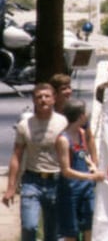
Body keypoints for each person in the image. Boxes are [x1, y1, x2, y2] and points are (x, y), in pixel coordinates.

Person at [3, 83, 68, 241]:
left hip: (57, 180)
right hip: (32, 181)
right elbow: (16, 155)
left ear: (54, 99)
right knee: (29, 226)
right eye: (39, 97)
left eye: (47, 96)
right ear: (33, 100)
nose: (43, 100)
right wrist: (11, 187)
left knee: (53, 232)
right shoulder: (24, 126)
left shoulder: (63, 122)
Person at [55, 99, 105, 241]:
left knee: (89, 227)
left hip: (86, 189)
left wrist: (93, 166)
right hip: (70, 191)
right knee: (71, 232)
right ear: (81, 116)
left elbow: (84, 155)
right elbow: (66, 171)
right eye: (85, 113)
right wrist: (90, 177)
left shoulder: (82, 133)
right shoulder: (63, 140)